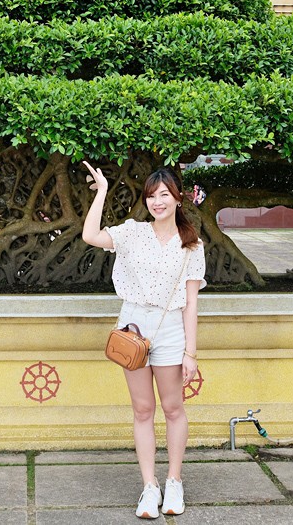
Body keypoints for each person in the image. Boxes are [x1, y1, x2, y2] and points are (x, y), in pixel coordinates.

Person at [81, 162, 207, 519]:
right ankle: (149, 486)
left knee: (172, 408)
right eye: (151, 197)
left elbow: (192, 303)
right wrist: (102, 191)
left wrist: (190, 352)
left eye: (164, 195)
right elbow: (91, 235)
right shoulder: (132, 233)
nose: (158, 202)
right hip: (133, 329)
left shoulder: (191, 245)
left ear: (178, 198)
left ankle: (174, 482)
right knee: (142, 410)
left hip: (170, 330)